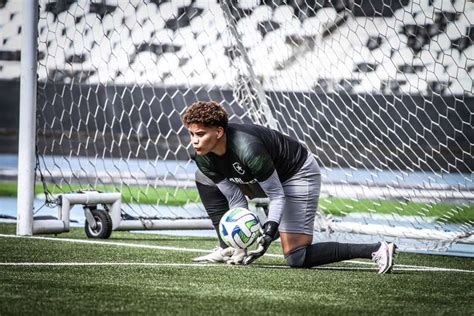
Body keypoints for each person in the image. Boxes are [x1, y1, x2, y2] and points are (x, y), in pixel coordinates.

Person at [183, 100, 396, 273]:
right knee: (204, 178)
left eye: (200, 134)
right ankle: (227, 247)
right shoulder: (201, 156)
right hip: (257, 178)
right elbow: (236, 200)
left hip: (296, 174)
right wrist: (241, 243)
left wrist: (267, 234)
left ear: (219, 132)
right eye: (192, 134)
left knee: (296, 256)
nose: (194, 141)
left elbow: (277, 195)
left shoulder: (248, 149)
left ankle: (377, 249)